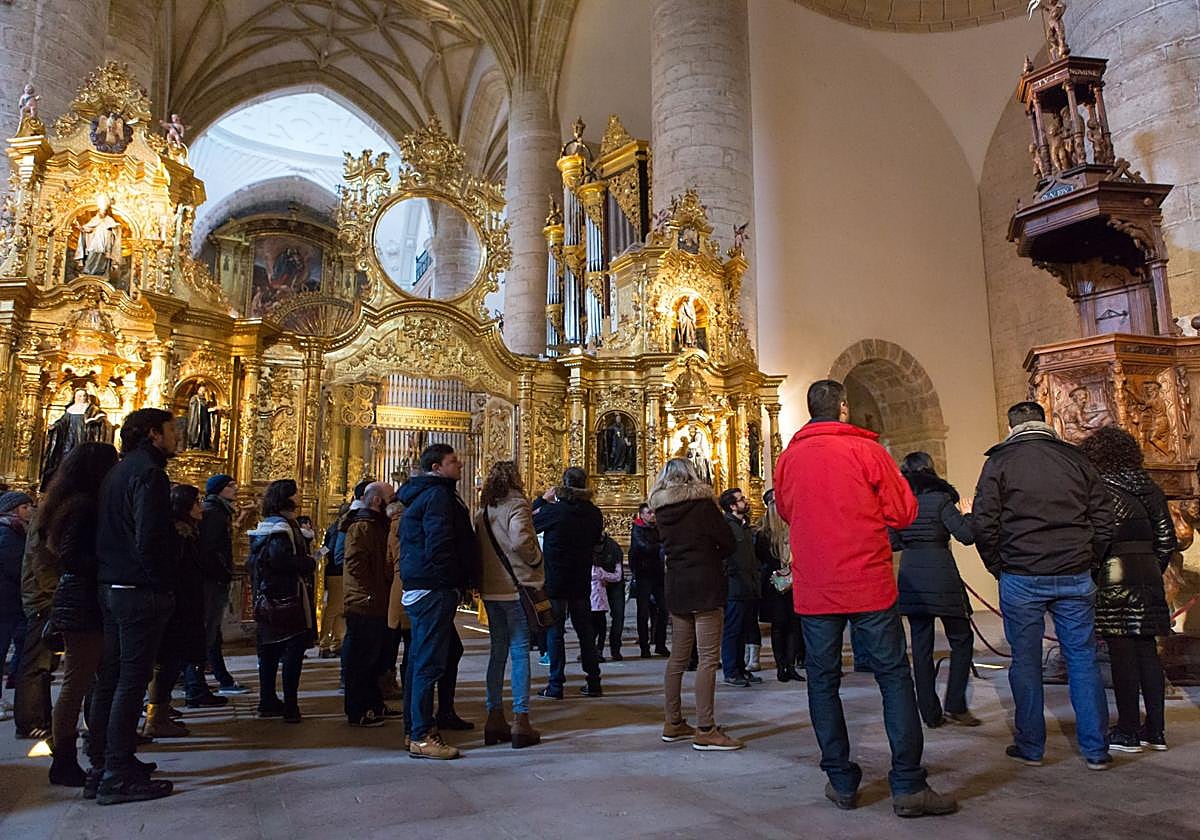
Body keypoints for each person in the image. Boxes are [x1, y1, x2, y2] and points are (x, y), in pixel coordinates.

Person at [775, 380, 956, 818]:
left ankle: (840, 781)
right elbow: (903, 512)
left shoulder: (788, 458)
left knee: (822, 682)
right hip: (867, 582)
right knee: (894, 678)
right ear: (841, 408)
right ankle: (909, 786)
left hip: (817, 586)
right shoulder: (867, 451)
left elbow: (784, 510)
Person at [973, 400, 1114, 771]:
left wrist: (997, 567)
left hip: (1021, 573)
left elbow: (983, 523)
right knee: (1082, 659)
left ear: (1011, 426)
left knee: (1025, 661)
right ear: (1044, 423)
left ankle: (1032, 747)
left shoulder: (999, 462)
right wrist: (1091, 559)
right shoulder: (1076, 459)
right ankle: (1096, 749)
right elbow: (1103, 516)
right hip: (1073, 571)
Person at [90, 407, 178, 805]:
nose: (178, 437)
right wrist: (161, 583)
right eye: (172, 430)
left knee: (112, 677)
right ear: (153, 434)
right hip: (138, 589)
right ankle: (116, 774)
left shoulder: (119, 471)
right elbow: (151, 538)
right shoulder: (149, 475)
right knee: (131, 680)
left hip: (112, 584)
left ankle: (104, 762)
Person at [1077, 427, 1176, 752]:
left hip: (1114, 572)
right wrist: (1151, 568)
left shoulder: (1099, 489)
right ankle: (1156, 731)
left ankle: (1129, 730)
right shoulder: (1150, 487)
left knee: (1121, 654)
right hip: (1147, 570)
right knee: (1148, 651)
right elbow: (1167, 539)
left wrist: (1096, 569)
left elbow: (1098, 537)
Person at [650, 458, 742, 751]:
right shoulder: (703, 504)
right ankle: (705, 728)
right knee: (707, 658)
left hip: (676, 584)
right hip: (705, 583)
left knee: (678, 657)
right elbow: (728, 542)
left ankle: (673, 721)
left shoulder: (661, 509)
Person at [42, 443, 118, 786]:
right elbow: (72, 556)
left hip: (81, 596)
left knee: (88, 680)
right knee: (76, 681)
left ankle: (97, 750)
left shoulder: (73, 502)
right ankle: (63, 760)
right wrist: (107, 566)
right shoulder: (83, 506)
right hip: (81, 599)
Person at [399, 444, 477, 760]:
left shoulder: (429, 493)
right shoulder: (438, 497)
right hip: (433, 587)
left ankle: (421, 724)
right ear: (435, 467)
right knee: (427, 661)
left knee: (441, 652)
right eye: (452, 461)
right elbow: (440, 542)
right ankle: (420, 735)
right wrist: (452, 581)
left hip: (427, 585)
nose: (459, 465)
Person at [890, 452, 979, 728]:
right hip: (942, 574)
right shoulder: (941, 500)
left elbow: (892, 542)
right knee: (962, 639)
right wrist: (969, 514)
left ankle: (929, 712)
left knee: (921, 647)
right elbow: (966, 535)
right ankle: (956, 703)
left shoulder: (901, 503)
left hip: (912, 576)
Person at [476, 461, 544, 748]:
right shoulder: (517, 505)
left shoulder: (483, 510)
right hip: (516, 587)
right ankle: (521, 720)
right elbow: (521, 541)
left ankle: (494, 717)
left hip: (491, 589)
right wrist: (536, 559)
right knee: (519, 652)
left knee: (497, 653)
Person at [247, 479, 317, 724]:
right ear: (286, 497)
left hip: (269, 597)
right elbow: (280, 560)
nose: (300, 496)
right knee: (292, 651)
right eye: (296, 493)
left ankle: (267, 700)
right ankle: (290, 706)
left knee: (268, 651)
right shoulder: (281, 527)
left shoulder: (268, 525)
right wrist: (309, 563)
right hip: (286, 597)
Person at [533, 466, 605, 699]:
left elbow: (530, 523)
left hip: (556, 578)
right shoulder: (594, 513)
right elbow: (596, 541)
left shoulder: (555, 511)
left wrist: (541, 501)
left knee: (555, 631)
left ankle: (556, 685)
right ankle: (593, 681)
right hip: (580, 578)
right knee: (585, 631)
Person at [144, 484, 208, 739]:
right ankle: (155, 718)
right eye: (196, 502)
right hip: (177, 607)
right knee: (166, 662)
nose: (200, 507)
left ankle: (160, 709)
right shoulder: (176, 535)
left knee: (170, 662)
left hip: (182, 604)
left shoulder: (187, 532)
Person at [186, 473, 247, 704]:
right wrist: (221, 572)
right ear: (219, 490)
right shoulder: (214, 513)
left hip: (212, 579)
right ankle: (196, 686)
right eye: (231, 486)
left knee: (211, 633)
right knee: (205, 632)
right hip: (210, 582)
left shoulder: (218, 511)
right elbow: (210, 551)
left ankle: (205, 682)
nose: (236, 488)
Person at [341, 481, 396, 727]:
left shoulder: (376, 525)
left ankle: (374, 704)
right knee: (361, 660)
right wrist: (371, 590)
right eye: (390, 497)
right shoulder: (362, 526)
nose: (393, 501)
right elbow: (354, 563)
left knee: (375, 658)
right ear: (376, 501)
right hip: (364, 601)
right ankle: (358, 710)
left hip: (376, 599)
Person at [756, 489, 804, 683]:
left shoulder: (762, 534)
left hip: (773, 581)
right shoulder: (780, 532)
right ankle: (789, 666)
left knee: (780, 626)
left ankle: (782, 666)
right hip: (788, 579)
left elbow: (760, 559)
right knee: (791, 625)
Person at [719, 487, 761, 688]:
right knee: (732, 631)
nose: (745, 501)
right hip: (735, 588)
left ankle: (741, 668)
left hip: (749, 586)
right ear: (732, 506)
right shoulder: (726, 526)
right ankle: (731, 671)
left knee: (743, 631)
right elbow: (724, 557)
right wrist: (732, 575)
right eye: (741, 499)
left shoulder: (743, 526)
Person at [0, 492, 31, 722]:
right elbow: (15, 566)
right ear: (14, 510)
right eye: (25, 506)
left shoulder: (15, 531)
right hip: (6, 600)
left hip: (11, 601)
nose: (30, 510)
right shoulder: (8, 533)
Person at [629, 503, 668, 658]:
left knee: (663, 610)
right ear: (642, 515)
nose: (652, 515)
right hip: (643, 574)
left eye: (654, 513)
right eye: (649, 513)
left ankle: (660, 644)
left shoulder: (659, 528)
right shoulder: (637, 529)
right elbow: (643, 546)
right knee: (643, 613)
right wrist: (660, 546)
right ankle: (644, 647)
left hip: (658, 574)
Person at [319, 502, 350, 659]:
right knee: (333, 609)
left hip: (338, 571)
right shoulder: (339, 528)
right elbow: (329, 548)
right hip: (337, 572)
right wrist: (317, 556)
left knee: (341, 610)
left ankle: (337, 642)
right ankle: (324, 643)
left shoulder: (336, 527)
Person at [590, 535, 623, 663]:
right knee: (592, 626)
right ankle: (590, 650)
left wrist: (604, 575)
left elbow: (617, 574)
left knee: (616, 617)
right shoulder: (585, 544)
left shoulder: (612, 547)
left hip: (602, 595)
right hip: (593, 597)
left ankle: (613, 649)